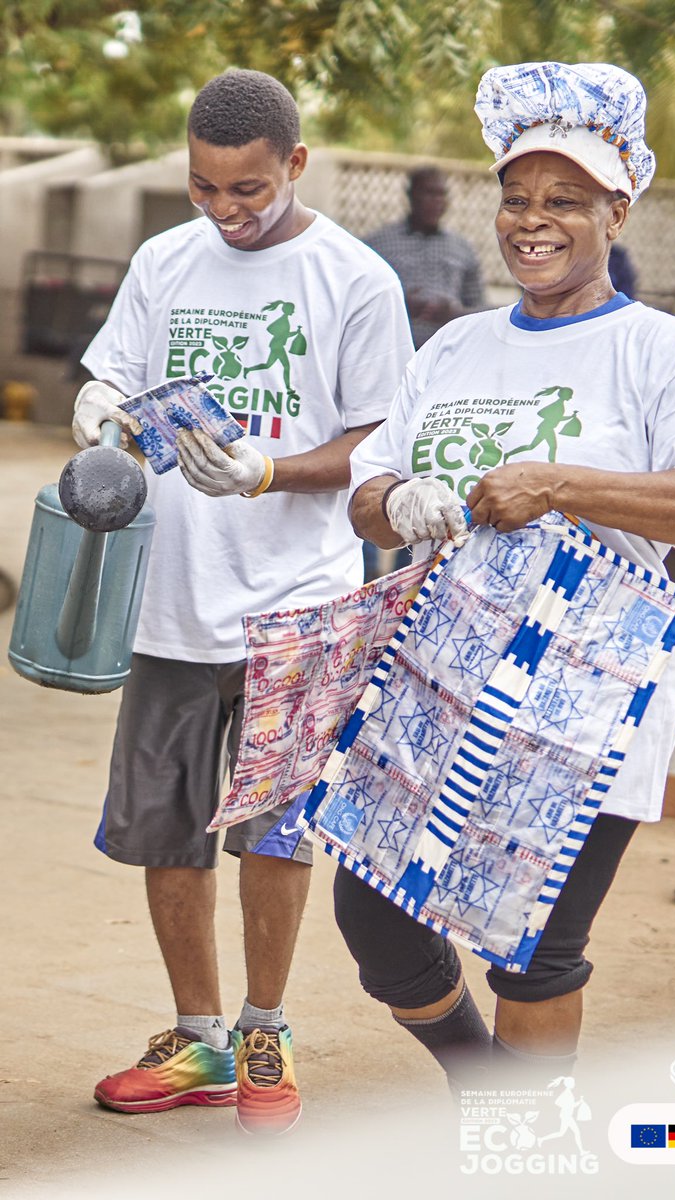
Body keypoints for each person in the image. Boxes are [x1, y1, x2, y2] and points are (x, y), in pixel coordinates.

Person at [339, 61, 675, 1089]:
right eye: (517, 199)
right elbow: (366, 483)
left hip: (585, 700)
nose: (532, 222)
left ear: (618, 208)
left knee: (534, 951)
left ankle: (520, 1148)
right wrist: (399, 504)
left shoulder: (660, 350)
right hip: (442, 680)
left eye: (564, 200)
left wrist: (561, 484)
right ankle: (486, 1087)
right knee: (374, 918)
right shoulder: (459, 347)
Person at [72, 69, 413, 1131]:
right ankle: (201, 1037)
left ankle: (266, 1028)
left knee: (274, 831)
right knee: (165, 829)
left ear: (296, 165)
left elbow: (376, 443)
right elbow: (116, 383)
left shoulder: (355, 281)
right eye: (204, 188)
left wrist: (267, 473)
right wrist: (99, 413)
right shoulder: (162, 262)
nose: (224, 210)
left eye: (249, 191)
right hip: (170, 601)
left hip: (297, 608)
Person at [366, 166, 486, 348]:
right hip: (393, 352)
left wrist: (453, 313)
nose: (437, 201)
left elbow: (480, 310)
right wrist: (400, 306)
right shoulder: (378, 245)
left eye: (442, 195)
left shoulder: (461, 248)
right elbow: (359, 304)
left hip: (449, 354)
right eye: (429, 193)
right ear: (411, 196)